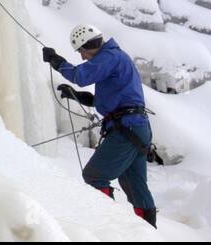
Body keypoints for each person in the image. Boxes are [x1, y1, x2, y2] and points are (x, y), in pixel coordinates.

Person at [43, 24, 157, 227]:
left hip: (127, 129)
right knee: (136, 187)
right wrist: (79, 97)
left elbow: (81, 76)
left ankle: (109, 229)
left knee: (94, 176)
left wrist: (56, 61)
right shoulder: (116, 58)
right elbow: (110, 98)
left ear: (89, 46)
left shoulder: (109, 56)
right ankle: (148, 233)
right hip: (136, 128)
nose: (82, 57)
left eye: (81, 52)